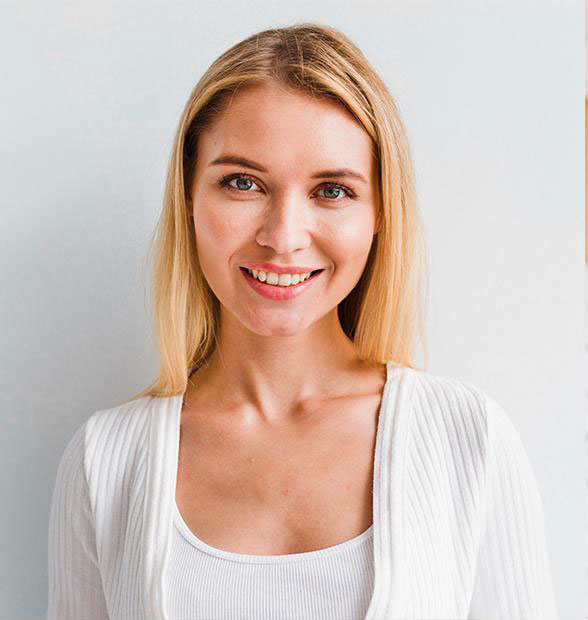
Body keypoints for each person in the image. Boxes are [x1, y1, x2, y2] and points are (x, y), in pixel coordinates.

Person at [46, 22, 558, 620]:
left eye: (332, 191)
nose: (283, 236)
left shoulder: (468, 439)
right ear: (188, 197)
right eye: (243, 183)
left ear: (379, 213)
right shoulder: (105, 461)